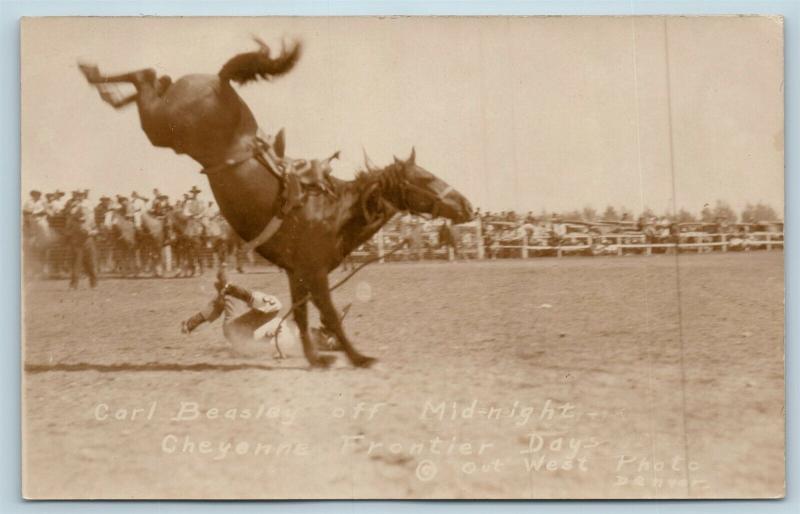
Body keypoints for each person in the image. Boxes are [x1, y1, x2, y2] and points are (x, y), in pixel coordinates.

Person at [181, 267, 282, 345]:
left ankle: (263, 340)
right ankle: (262, 340)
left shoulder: (230, 294)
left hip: (238, 329)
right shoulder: (226, 296)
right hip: (237, 329)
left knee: (229, 298)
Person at [66, 190, 99, 289]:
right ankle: (73, 284)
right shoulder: (73, 217)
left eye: (81, 195)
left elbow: (95, 228)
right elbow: (68, 229)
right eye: (78, 195)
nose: (79, 197)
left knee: (91, 263)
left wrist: (92, 232)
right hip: (77, 242)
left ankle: (93, 284)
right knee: (76, 263)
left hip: (88, 241)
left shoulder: (90, 218)